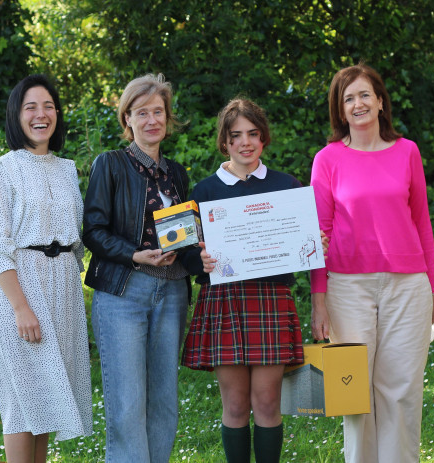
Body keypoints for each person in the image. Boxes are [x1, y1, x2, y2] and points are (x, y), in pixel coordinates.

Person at [310, 63, 434, 463]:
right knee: (354, 395)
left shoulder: (407, 151)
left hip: (408, 286)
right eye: (348, 98)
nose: (358, 103)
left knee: (401, 390)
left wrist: (431, 287)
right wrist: (318, 298)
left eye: (365, 94)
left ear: (380, 102)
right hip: (347, 288)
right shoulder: (327, 160)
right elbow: (318, 235)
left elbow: (421, 221)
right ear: (340, 110)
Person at [180, 98, 305, 463]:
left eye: (253, 134)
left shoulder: (287, 186)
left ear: (263, 138)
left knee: (267, 403)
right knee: (235, 406)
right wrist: (198, 260)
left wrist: (311, 243)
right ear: (225, 142)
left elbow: (301, 244)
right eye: (236, 136)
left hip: (270, 298)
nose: (245, 142)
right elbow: (186, 254)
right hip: (224, 301)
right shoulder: (203, 192)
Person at [0, 74, 93, 463]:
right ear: (17, 115)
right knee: (21, 406)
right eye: (31, 107)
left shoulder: (67, 169)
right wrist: (21, 307)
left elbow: (78, 237)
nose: (41, 115)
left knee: (46, 407)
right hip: (17, 289)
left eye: (48, 106)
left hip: (61, 290)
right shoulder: (3, 170)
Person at [82, 73, 191, 463]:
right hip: (125, 294)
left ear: (167, 117)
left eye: (158, 112)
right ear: (127, 118)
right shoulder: (110, 164)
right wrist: (134, 254)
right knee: (128, 408)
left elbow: (187, 234)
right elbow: (92, 231)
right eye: (141, 112)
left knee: (164, 404)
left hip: (173, 293)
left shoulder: (177, 173)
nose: (151, 120)